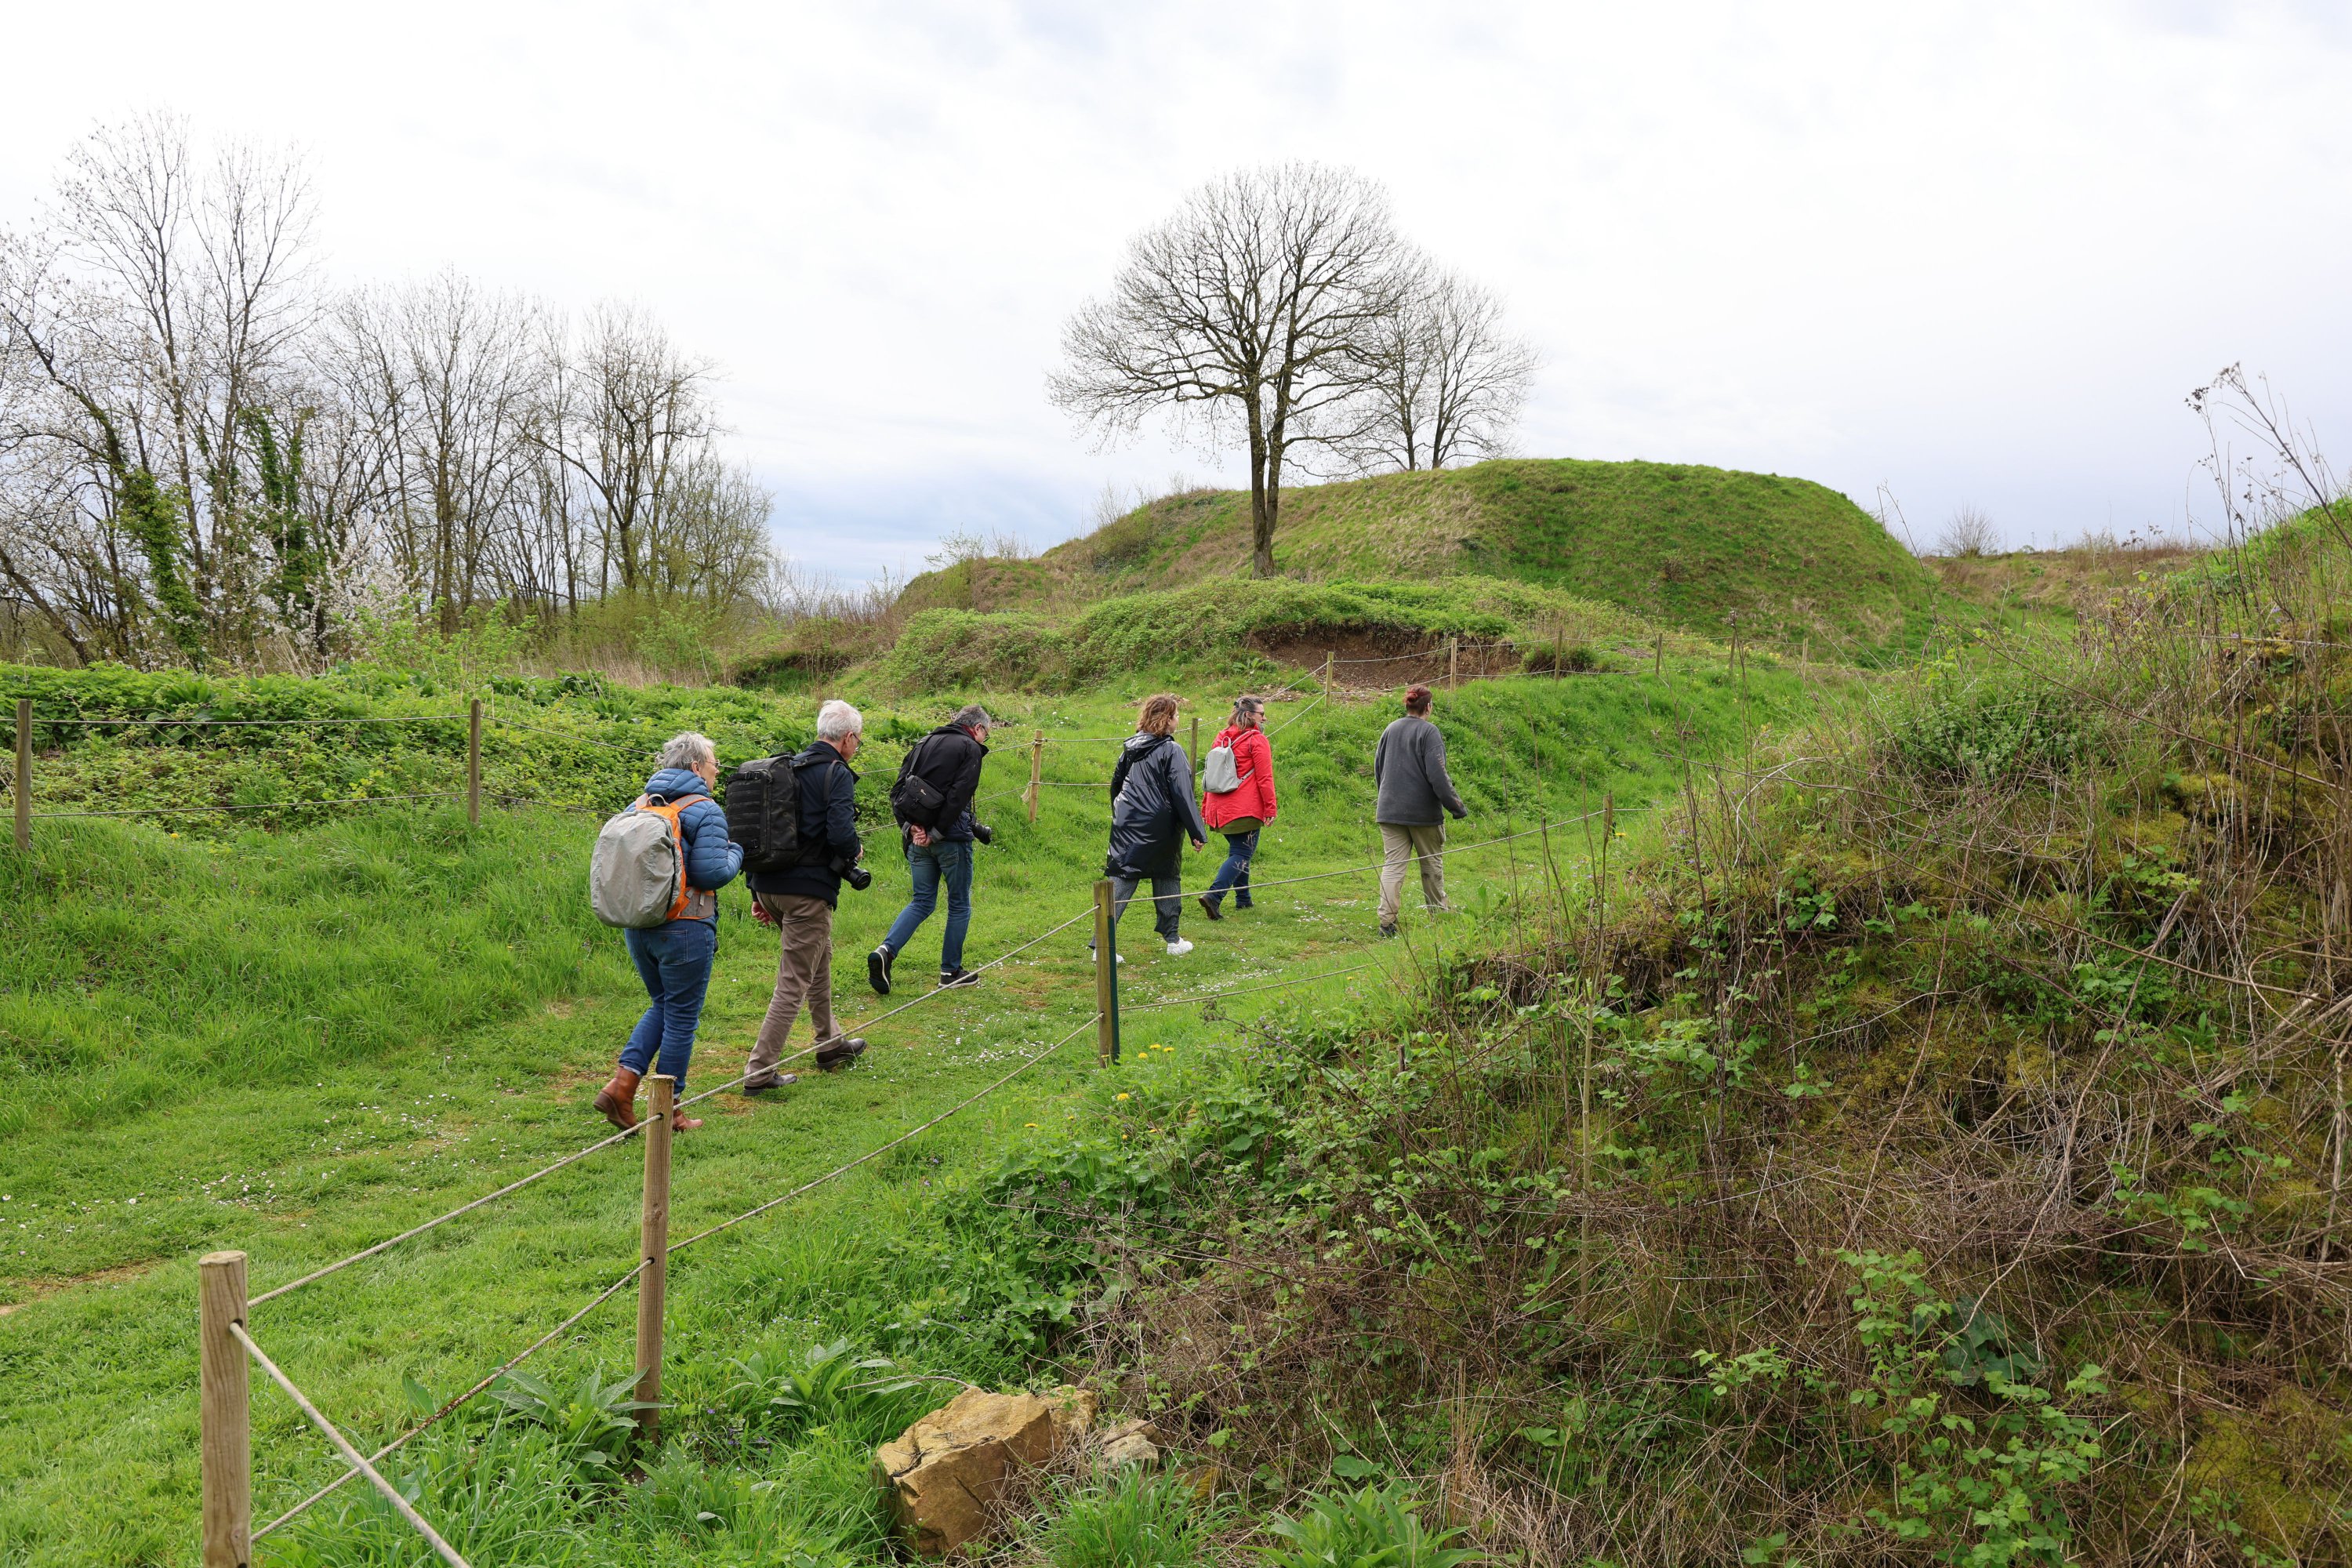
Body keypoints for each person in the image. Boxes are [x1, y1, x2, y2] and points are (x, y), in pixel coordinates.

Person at [595, 732, 743, 1134]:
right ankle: (669, 1108)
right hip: (686, 926)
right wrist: (737, 851)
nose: (717, 771)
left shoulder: (639, 805)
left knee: (662, 1003)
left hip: (639, 924)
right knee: (681, 1015)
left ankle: (622, 1086)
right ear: (696, 767)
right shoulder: (705, 809)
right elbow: (711, 873)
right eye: (714, 764)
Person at [742, 699, 871, 1094]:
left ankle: (830, 1044)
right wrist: (854, 850)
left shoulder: (787, 769)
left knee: (819, 960)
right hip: (806, 891)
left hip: (769, 886)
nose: (856, 746)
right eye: (858, 740)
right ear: (848, 738)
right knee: (794, 981)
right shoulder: (836, 772)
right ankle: (759, 1071)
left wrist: (756, 891)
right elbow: (840, 833)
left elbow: (763, 830)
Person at [870, 704, 995, 994]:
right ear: (977, 728)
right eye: (986, 734)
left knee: (922, 901)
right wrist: (937, 832)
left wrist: (910, 827)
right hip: (950, 838)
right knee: (959, 903)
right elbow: (959, 795)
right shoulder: (970, 748)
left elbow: (897, 791)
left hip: (916, 839)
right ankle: (950, 972)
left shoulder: (923, 742)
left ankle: (885, 951)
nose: (984, 739)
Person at [1098, 693, 1207, 959]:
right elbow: (1183, 794)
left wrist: (1120, 814)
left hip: (1127, 821)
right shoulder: (1172, 750)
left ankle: (1101, 945)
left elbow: (1116, 786)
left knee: (1122, 876)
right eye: (1176, 716)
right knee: (1167, 875)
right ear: (1167, 719)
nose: (1178, 720)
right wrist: (1197, 832)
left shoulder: (1130, 748)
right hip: (1161, 825)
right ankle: (1173, 939)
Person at [1372, 684, 1468, 938]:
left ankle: (1386, 923)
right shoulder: (1429, 732)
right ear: (1428, 707)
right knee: (1431, 864)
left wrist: (1387, 798)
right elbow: (1438, 775)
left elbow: (1378, 768)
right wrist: (1456, 806)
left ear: (1408, 705)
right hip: (1423, 814)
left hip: (1389, 810)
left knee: (1393, 866)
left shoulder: (1390, 729)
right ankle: (1439, 915)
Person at [1196, 694, 1277, 921]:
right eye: (1262, 714)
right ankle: (1214, 896)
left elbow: (1210, 775)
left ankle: (1244, 899)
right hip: (1244, 809)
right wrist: (1270, 808)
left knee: (1239, 852)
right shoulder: (1257, 740)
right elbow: (1265, 778)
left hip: (1219, 809)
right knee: (1242, 854)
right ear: (1249, 715)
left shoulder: (1221, 737)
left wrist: (1205, 808)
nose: (1264, 718)